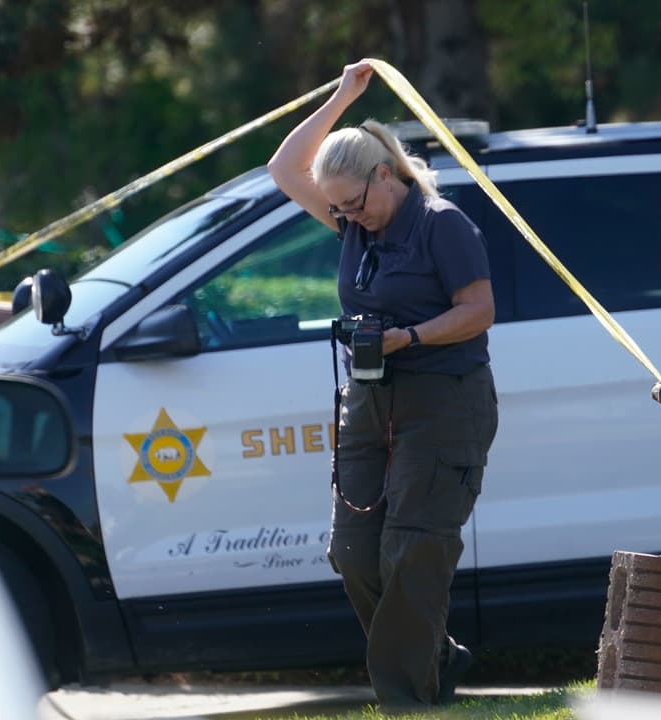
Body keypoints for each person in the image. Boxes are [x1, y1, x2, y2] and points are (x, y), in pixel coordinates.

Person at [266, 59, 498, 710]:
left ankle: (406, 701)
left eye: (355, 204)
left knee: (412, 551)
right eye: (338, 208)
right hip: (369, 400)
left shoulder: (442, 224)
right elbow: (284, 168)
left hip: (443, 400)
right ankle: (434, 657)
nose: (347, 217)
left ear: (386, 175)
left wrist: (412, 337)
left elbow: (479, 310)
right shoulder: (354, 221)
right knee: (353, 553)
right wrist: (343, 96)